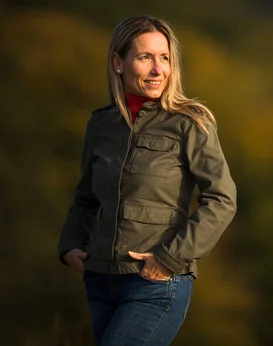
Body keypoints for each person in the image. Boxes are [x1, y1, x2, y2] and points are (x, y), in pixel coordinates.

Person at [57, 15, 237, 345]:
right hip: (99, 281)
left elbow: (222, 199)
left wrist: (169, 258)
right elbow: (86, 196)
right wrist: (70, 243)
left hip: (155, 284)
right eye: (145, 57)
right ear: (118, 62)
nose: (158, 70)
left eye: (164, 58)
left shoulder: (190, 124)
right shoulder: (101, 124)